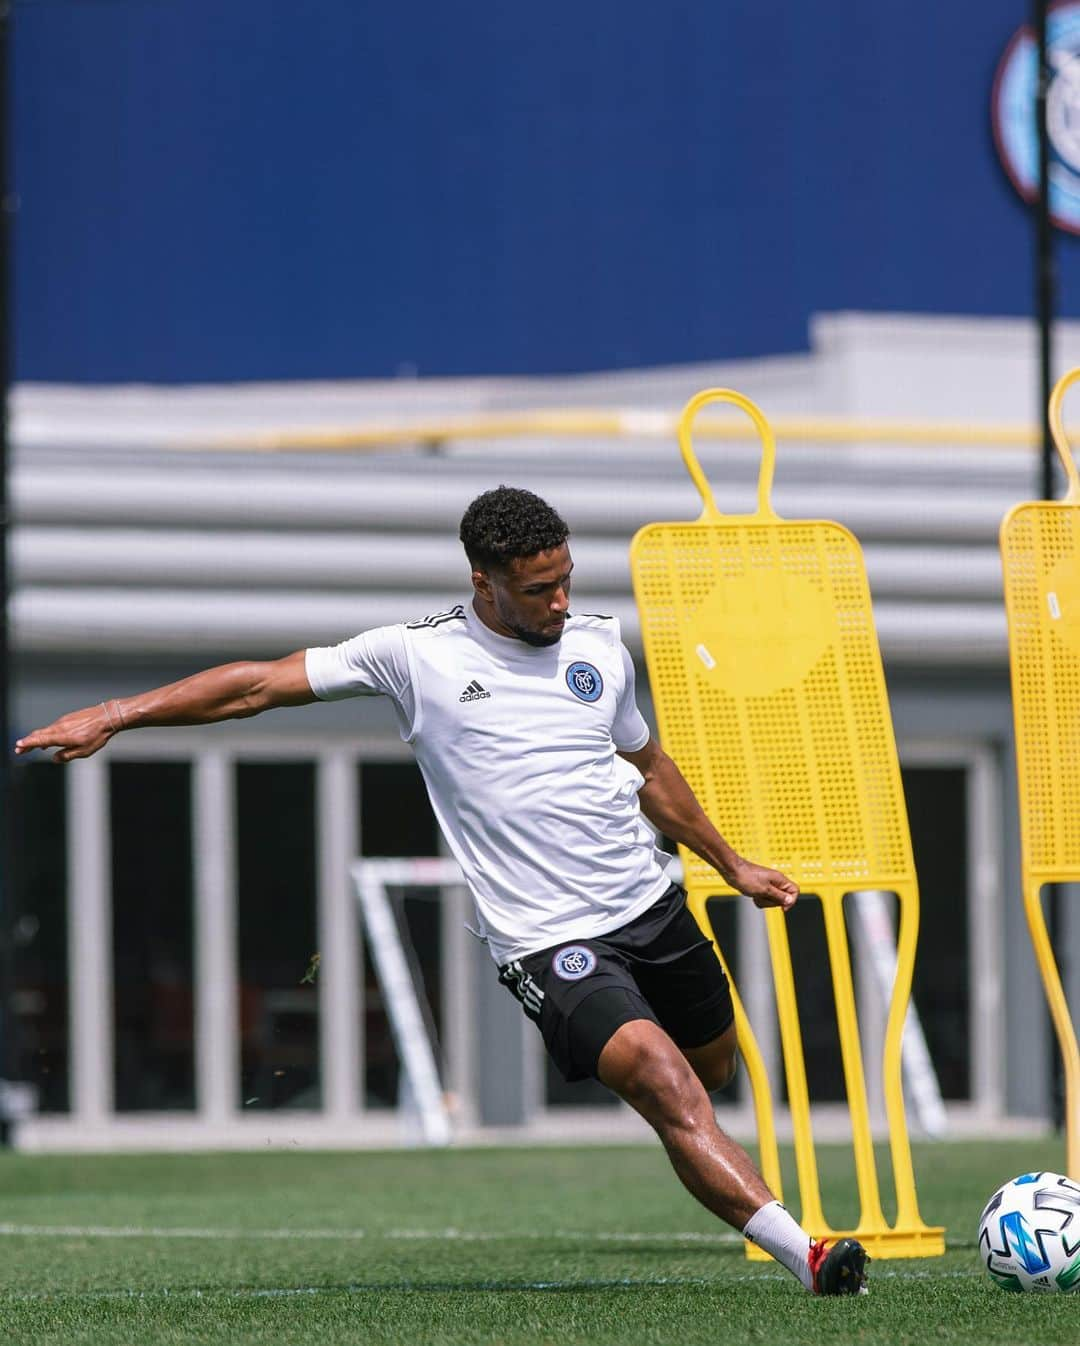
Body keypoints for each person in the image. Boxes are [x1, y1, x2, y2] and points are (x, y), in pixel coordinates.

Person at [16, 484, 867, 1296]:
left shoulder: (600, 645)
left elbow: (647, 768)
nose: (561, 603)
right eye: (540, 590)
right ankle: (807, 1254)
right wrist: (118, 713)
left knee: (709, 1068)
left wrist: (733, 863)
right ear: (483, 583)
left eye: (568, 580)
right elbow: (256, 685)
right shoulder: (414, 654)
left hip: (650, 903)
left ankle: (713, 1145)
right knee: (664, 1082)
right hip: (546, 937)